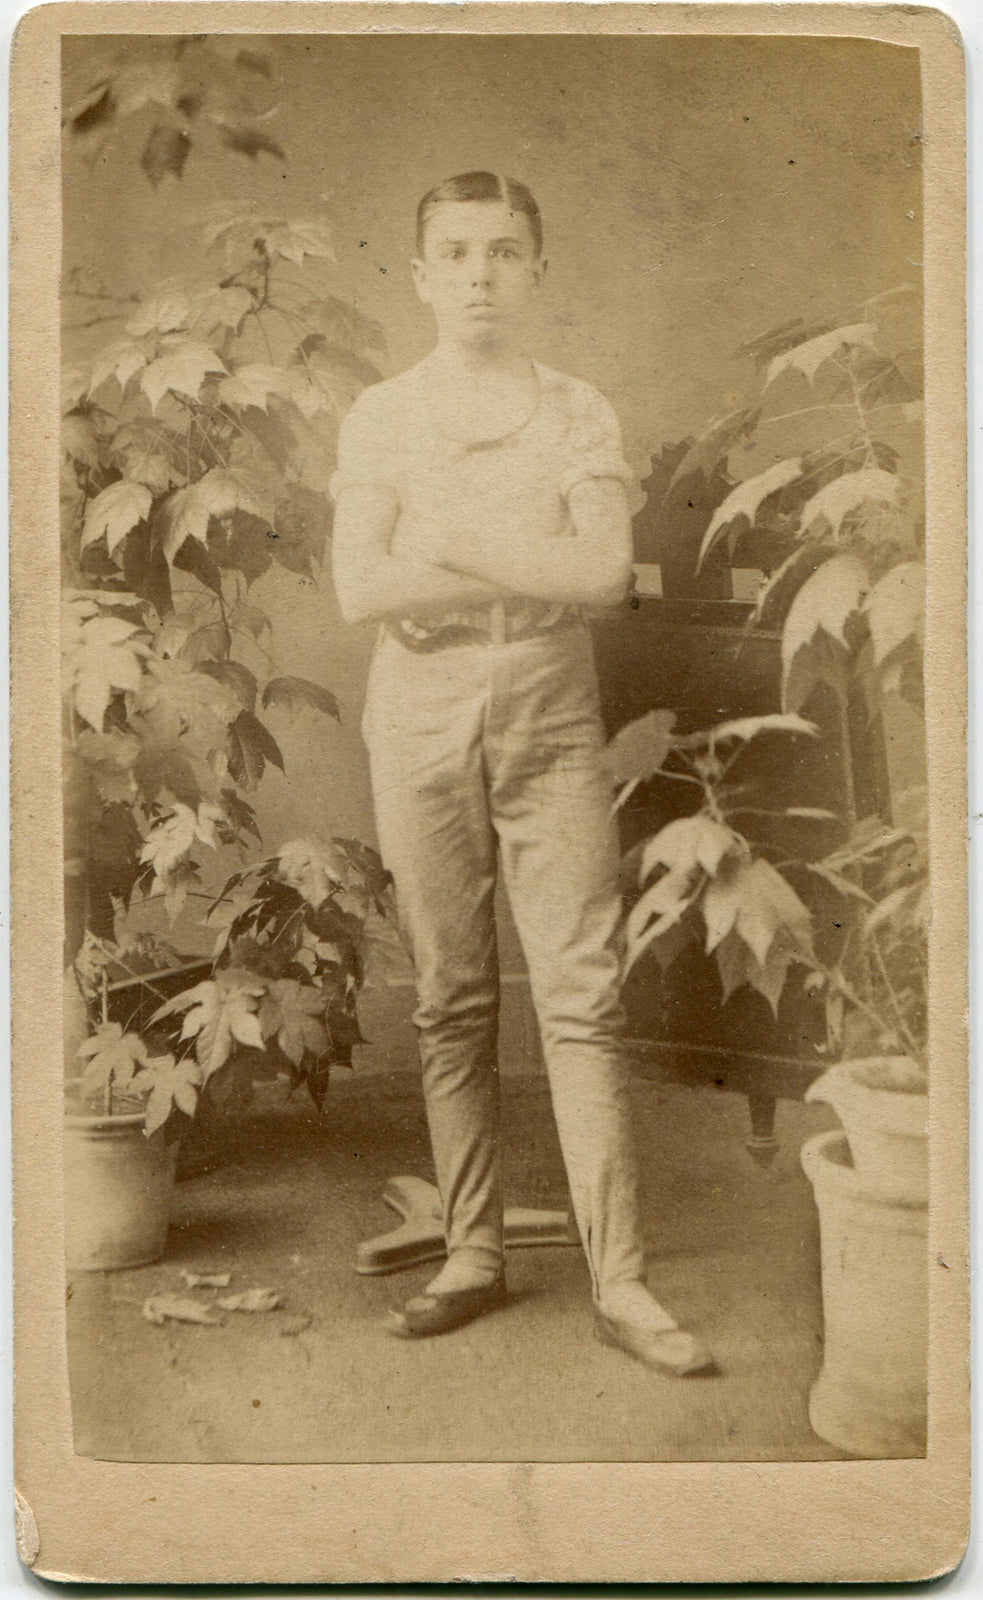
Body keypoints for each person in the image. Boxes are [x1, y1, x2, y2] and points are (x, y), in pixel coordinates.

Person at [330, 171, 714, 1377]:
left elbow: (602, 578)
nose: (480, 274)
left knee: (579, 996)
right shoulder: (382, 415)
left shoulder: (574, 408)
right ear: (420, 272)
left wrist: (442, 538)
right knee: (449, 995)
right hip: (420, 699)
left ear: (537, 268)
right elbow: (361, 590)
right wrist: (517, 560)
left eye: (504, 252)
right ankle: (473, 1250)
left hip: (548, 699)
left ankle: (624, 1281)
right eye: (455, 252)